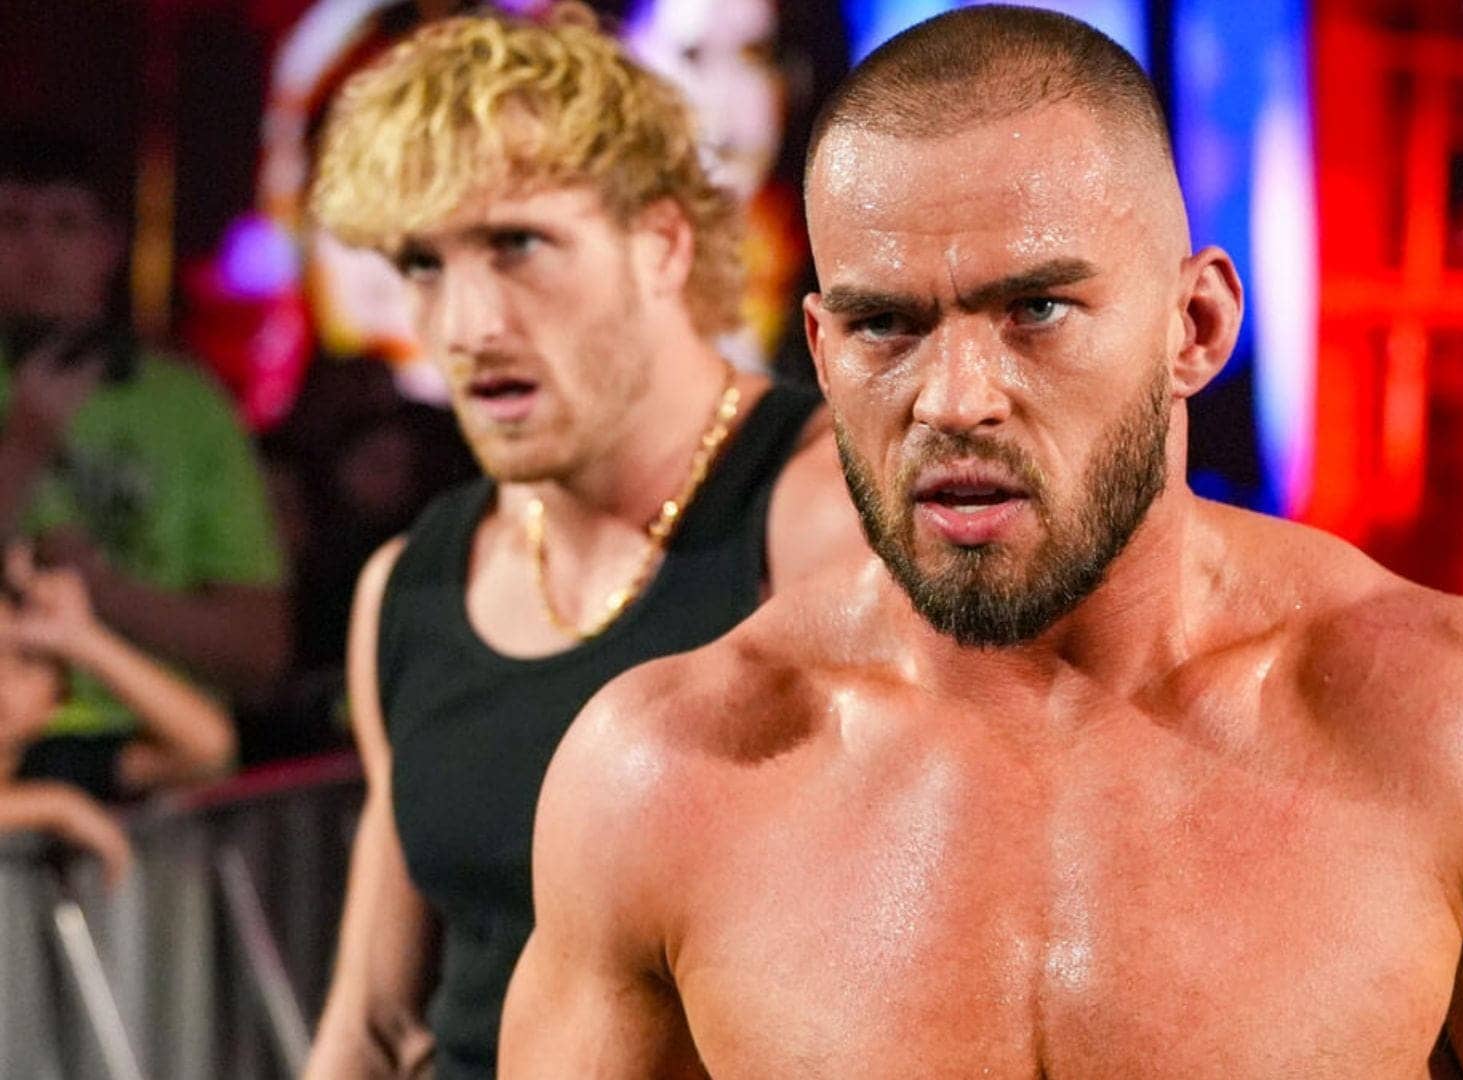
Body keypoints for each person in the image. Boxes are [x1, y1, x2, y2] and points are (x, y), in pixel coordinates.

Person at [502, 7, 1463, 1077]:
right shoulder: (662, 782)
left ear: (1195, 326)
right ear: (820, 352)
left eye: (1036, 309)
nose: (955, 400)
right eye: (886, 327)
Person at [300, 6, 860, 1077]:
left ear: (661, 243)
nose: (468, 325)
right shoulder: (407, 588)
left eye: (517, 244)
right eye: (423, 264)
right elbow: (370, 1026)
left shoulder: (821, 517)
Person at [0, 125, 290, 744]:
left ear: (110, 245)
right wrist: (24, 447)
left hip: (156, 748)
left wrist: (94, 589)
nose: (38, 248)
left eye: (65, 224)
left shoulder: (188, 405)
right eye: (12, 223)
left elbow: (257, 652)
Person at [0, 547, 236, 885]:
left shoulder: (53, 764)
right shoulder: (55, 796)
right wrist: (56, 807)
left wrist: (83, 638)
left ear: (59, 695)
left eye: (26, 660)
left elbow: (207, 748)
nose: (2, 678)